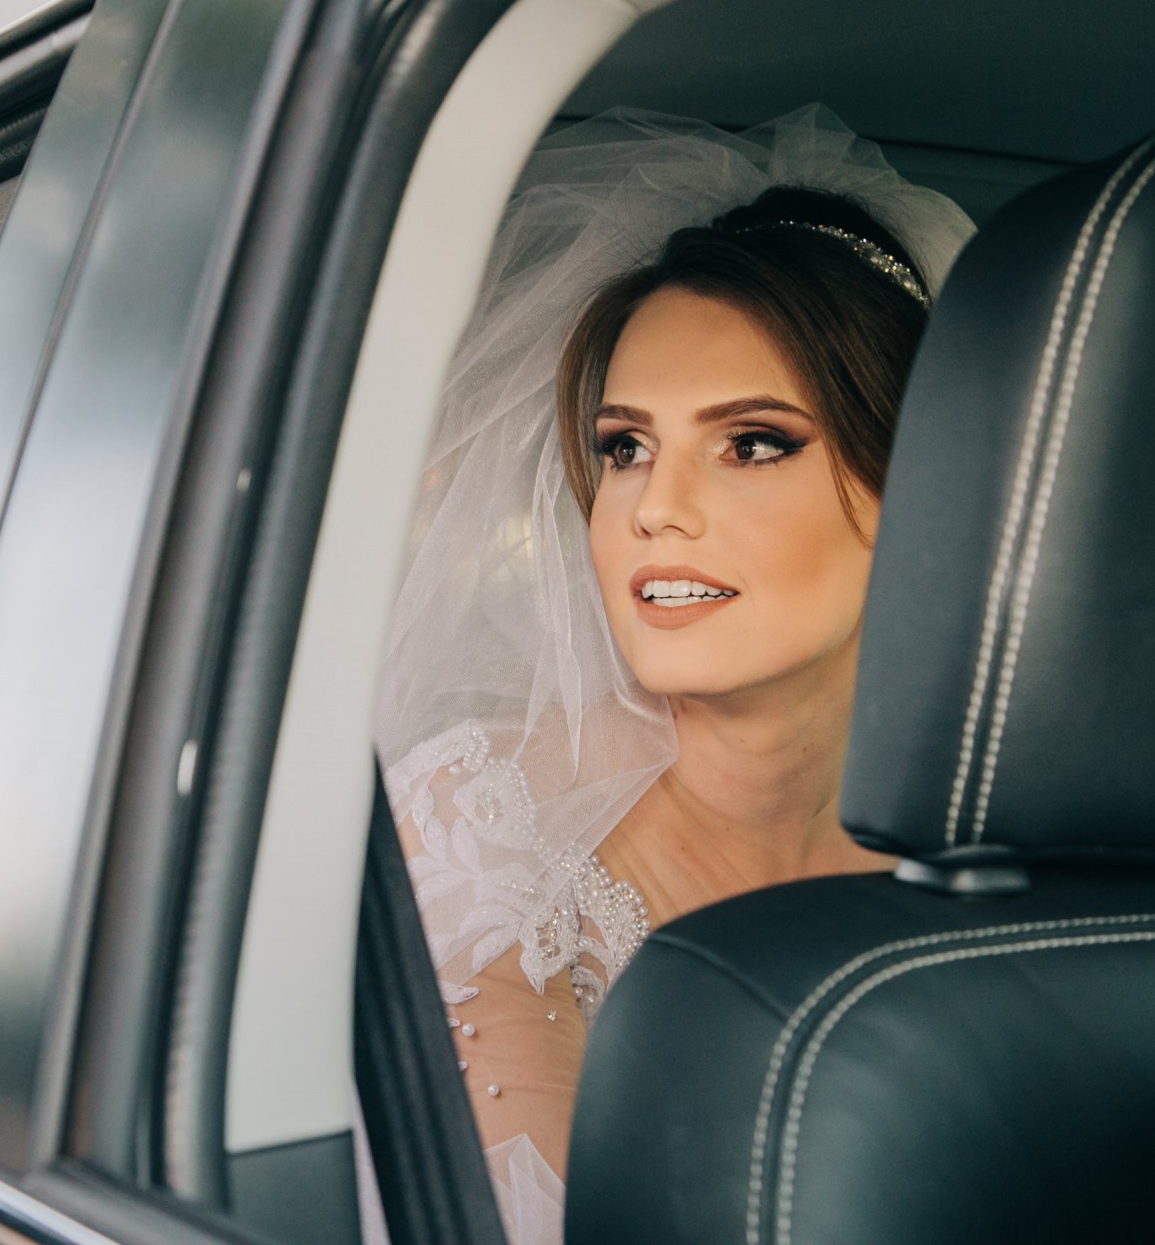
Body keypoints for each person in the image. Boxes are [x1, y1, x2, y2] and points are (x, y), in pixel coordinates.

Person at [373, 107, 975, 1245]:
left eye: (751, 442)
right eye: (623, 446)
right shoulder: (489, 831)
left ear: (921, 481)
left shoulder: (1011, 837)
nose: (653, 507)